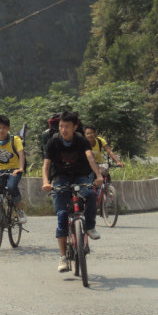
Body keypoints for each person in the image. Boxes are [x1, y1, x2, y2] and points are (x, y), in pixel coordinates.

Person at [42, 111, 104, 272]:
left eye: (67, 127)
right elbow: (46, 164)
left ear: (75, 127)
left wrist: (98, 175)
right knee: (62, 215)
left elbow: (90, 157)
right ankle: (63, 257)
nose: (63, 130)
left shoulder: (82, 140)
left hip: (80, 175)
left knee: (90, 194)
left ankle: (90, 226)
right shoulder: (53, 142)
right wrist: (46, 182)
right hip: (60, 177)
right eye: (61, 126)